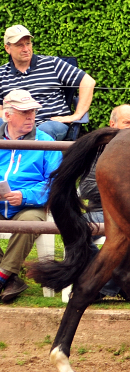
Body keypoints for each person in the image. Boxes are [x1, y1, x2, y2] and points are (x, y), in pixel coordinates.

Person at [0, 89, 62, 301]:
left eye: (33, 112)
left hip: (30, 206)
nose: (31, 117)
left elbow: (54, 184)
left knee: (28, 222)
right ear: (7, 115)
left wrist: (25, 195)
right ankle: (11, 279)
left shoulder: (48, 143)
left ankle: (3, 276)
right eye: (25, 112)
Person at [79, 104, 130, 299]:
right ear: (112, 125)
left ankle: (99, 286)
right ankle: (114, 283)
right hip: (100, 210)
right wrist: (123, 190)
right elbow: (86, 188)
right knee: (77, 228)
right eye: (126, 123)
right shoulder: (99, 151)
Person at [0, 25, 96, 141]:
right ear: (7, 48)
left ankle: (27, 158)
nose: (26, 49)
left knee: (43, 133)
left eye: (28, 43)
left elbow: (88, 81)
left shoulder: (52, 63)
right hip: (15, 126)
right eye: (19, 45)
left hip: (50, 123)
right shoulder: (2, 74)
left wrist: (77, 115)